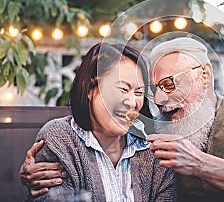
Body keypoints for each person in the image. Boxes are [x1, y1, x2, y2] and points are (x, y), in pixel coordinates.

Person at [20, 38, 224, 201]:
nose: (158, 100)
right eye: (155, 89)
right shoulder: (152, 134)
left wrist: (199, 164)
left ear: (204, 74)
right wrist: (33, 180)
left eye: (169, 84)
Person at [20, 43, 176, 201]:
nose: (132, 102)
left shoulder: (153, 148)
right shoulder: (59, 138)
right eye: (123, 88)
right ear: (90, 88)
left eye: (138, 92)